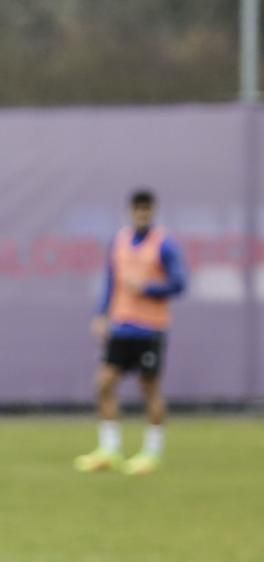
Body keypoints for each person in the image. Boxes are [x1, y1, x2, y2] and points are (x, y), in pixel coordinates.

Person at [75, 189, 186, 476]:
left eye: (147, 210)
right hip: (122, 327)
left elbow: (179, 283)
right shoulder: (119, 241)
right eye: (138, 210)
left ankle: (152, 453)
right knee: (103, 384)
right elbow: (111, 282)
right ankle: (109, 450)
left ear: (153, 212)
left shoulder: (165, 245)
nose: (142, 215)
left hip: (150, 329)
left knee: (149, 389)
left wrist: (148, 288)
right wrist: (101, 315)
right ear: (130, 212)